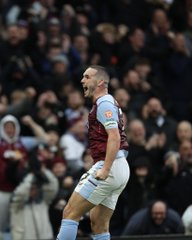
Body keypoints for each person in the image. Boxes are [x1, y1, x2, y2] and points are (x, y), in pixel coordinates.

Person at [56, 65, 130, 240]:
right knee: (98, 224)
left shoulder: (104, 102)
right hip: (120, 168)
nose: (82, 80)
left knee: (70, 212)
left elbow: (114, 137)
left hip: (109, 167)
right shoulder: (109, 102)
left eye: (87, 77)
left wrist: (105, 169)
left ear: (100, 82)